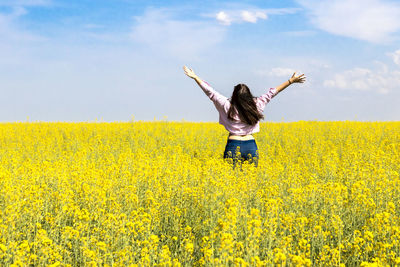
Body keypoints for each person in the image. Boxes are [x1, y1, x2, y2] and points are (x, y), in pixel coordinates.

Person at [183, 66, 306, 168]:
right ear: (249, 95)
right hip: (250, 145)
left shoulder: (226, 105)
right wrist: (290, 81)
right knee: (250, 182)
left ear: (234, 95)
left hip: (233, 143)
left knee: (231, 183)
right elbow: (273, 92)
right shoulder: (257, 104)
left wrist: (195, 77)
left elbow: (210, 92)